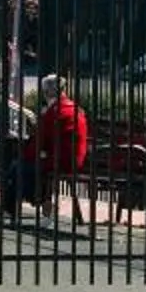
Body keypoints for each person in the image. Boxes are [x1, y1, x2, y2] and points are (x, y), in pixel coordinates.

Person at [27, 74, 93, 226]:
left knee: (24, 166)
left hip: (62, 160)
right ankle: (41, 207)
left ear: (47, 92)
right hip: (75, 158)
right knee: (31, 166)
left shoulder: (56, 111)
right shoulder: (75, 108)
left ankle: (18, 206)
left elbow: (41, 141)